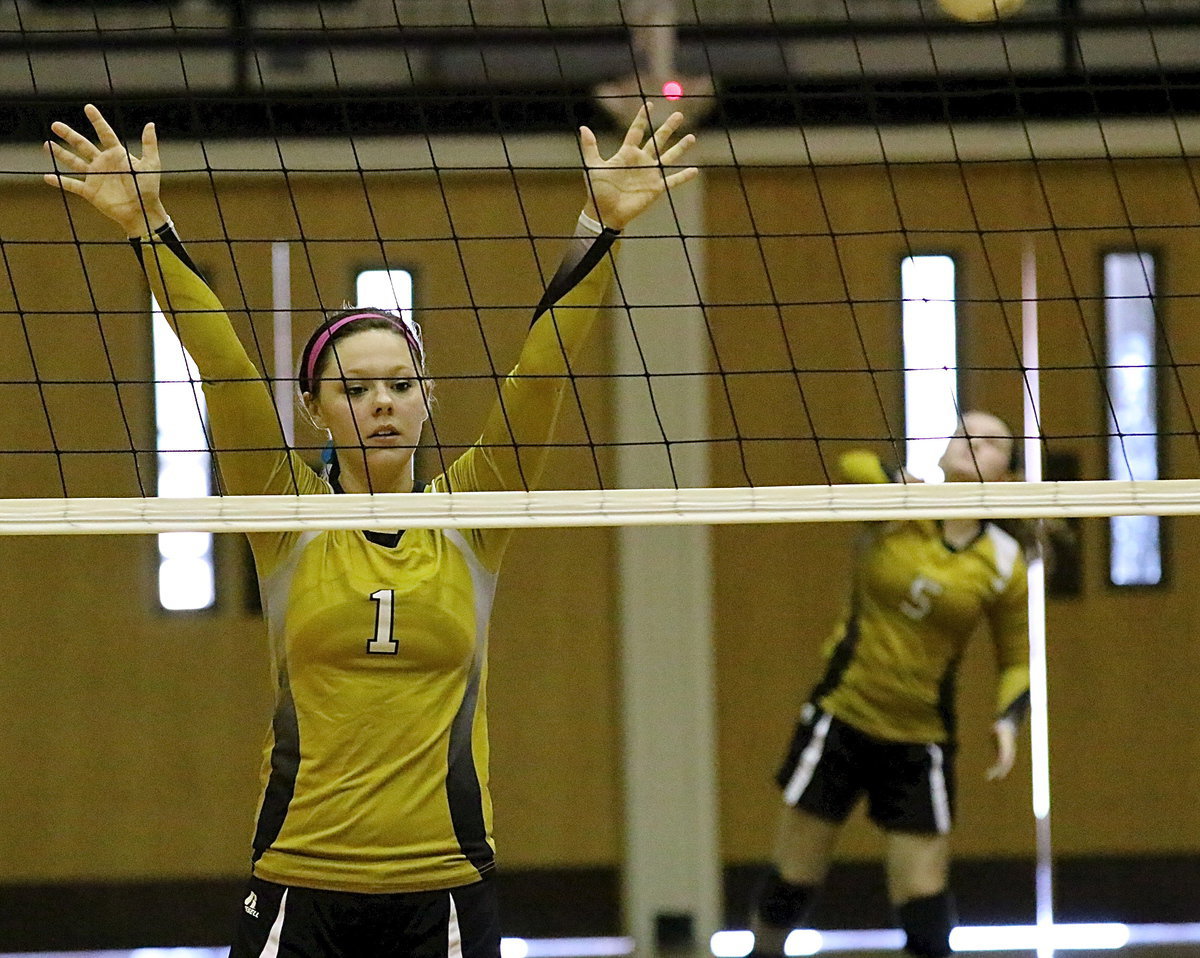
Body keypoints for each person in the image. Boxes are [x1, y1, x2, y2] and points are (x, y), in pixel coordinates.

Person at [45, 101, 697, 957]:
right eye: (354, 389)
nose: (381, 402)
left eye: (399, 384)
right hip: (299, 877)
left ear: (429, 398)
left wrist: (600, 227)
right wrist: (149, 227)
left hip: (447, 888)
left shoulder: (474, 516)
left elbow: (543, 369)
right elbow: (226, 364)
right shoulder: (285, 518)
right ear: (316, 409)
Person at [751, 410, 1032, 958]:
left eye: (993, 441)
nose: (973, 442)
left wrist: (1009, 721)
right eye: (963, 432)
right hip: (841, 717)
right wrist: (896, 480)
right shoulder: (898, 508)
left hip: (919, 739)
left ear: (1007, 474)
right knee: (792, 884)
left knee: (925, 912)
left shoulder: (1003, 562)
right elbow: (850, 462)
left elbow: (1015, 660)